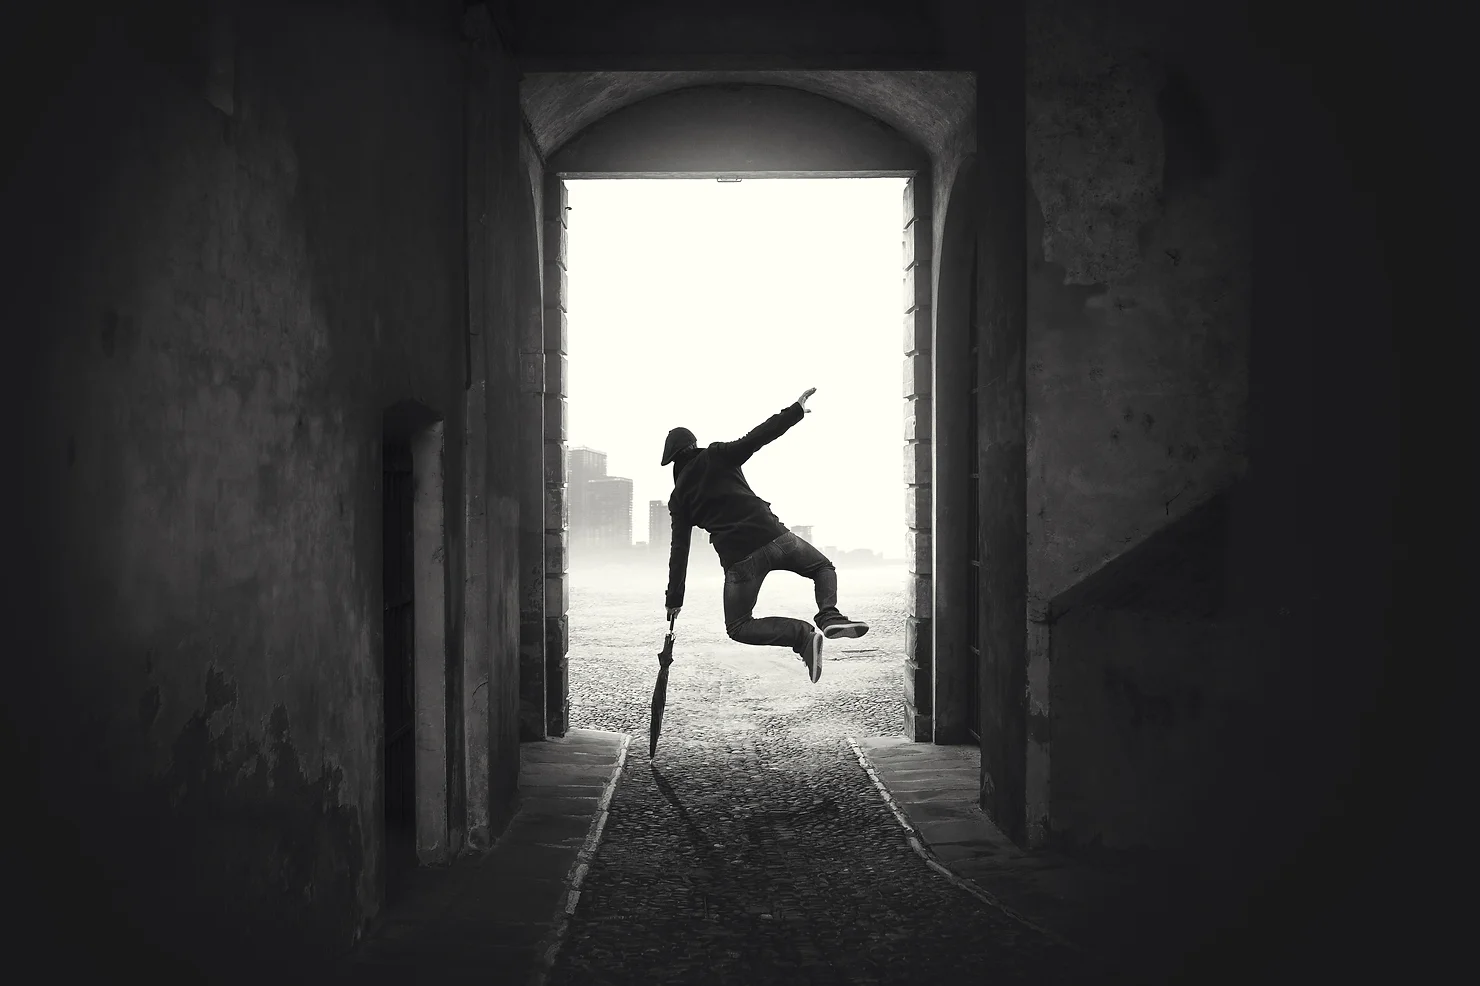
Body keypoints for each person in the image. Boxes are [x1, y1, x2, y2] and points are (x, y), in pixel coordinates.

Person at [661, 387, 869, 683]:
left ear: (672, 462)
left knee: (738, 626)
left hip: (740, 561)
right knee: (823, 567)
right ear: (695, 445)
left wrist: (674, 599)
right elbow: (757, 438)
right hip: (776, 538)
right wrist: (795, 411)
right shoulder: (716, 455)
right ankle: (829, 615)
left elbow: (679, 552)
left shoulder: (679, 498)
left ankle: (802, 636)